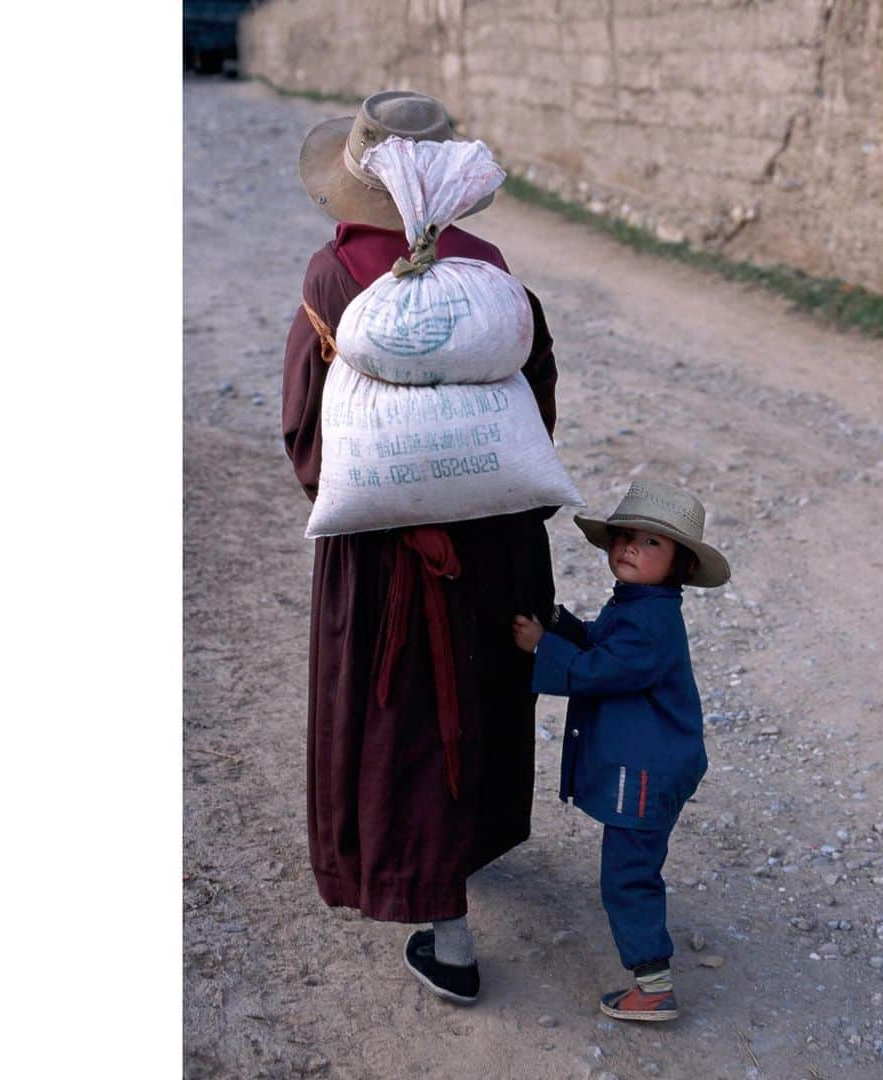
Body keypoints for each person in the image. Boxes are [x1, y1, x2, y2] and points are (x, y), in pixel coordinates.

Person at [283, 89, 559, 1005]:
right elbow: (537, 409)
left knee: (403, 716)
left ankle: (449, 940)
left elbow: (307, 436)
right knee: (476, 693)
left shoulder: (335, 279)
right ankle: (470, 852)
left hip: (388, 552)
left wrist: (391, 494)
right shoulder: (494, 275)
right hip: (496, 541)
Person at [512, 479, 730, 1021]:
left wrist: (544, 646)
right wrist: (564, 626)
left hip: (648, 771)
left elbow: (604, 669)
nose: (631, 547)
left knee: (628, 875)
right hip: (650, 762)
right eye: (625, 537)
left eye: (651, 542)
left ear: (680, 565)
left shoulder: (652, 622)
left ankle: (653, 986)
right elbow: (605, 645)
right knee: (631, 866)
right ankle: (649, 971)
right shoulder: (638, 604)